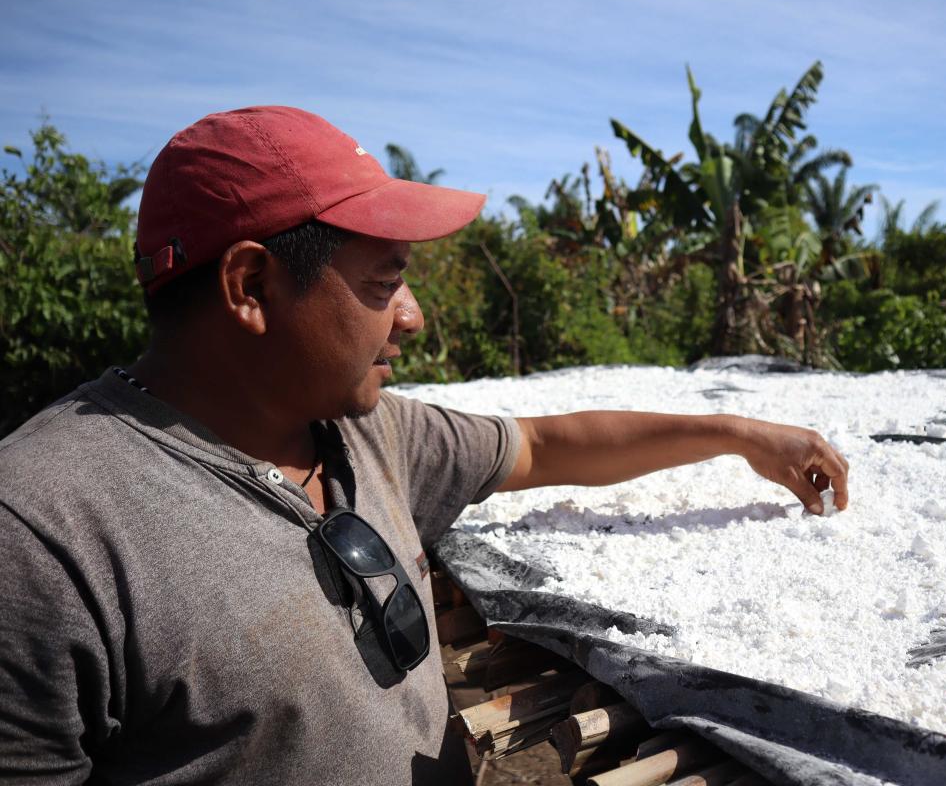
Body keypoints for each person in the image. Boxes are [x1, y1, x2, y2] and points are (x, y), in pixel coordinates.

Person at [0, 106, 849, 785]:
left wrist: (739, 435)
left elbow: (549, 447)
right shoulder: (43, 538)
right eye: (385, 283)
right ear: (251, 286)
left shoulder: (363, 428)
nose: (411, 316)